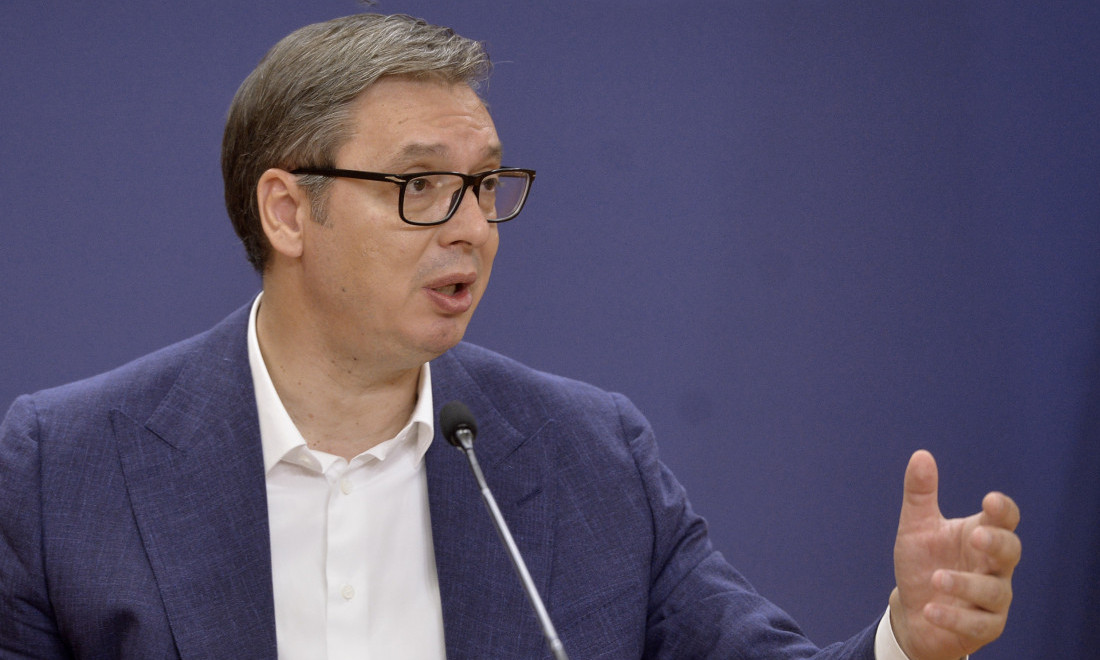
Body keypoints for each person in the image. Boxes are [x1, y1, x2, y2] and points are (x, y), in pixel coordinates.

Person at [0, 13, 1019, 660]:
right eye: (420, 185)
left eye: (485, 184)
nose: (471, 228)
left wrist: (906, 641)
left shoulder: (589, 459)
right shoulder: (67, 469)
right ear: (287, 210)